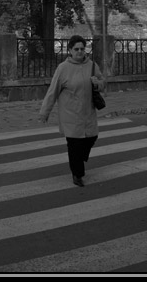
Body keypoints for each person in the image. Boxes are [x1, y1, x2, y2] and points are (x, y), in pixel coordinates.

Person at [39, 35, 104, 187]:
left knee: (91, 138)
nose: (80, 51)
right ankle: (77, 174)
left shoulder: (92, 65)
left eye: (82, 48)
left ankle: (79, 160)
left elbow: (103, 82)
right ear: (70, 50)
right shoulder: (63, 68)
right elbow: (52, 91)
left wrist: (98, 83)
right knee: (74, 146)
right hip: (70, 115)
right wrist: (44, 112)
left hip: (88, 113)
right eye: (76, 49)